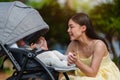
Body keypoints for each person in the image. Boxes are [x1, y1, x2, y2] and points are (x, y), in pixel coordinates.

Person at [61, 12, 120, 80]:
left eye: (71, 27)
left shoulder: (99, 45)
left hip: (103, 76)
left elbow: (93, 73)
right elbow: (64, 66)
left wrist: (76, 62)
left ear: (83, 28)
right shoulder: (73, 44)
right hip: (83, 76)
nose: (68, 30)